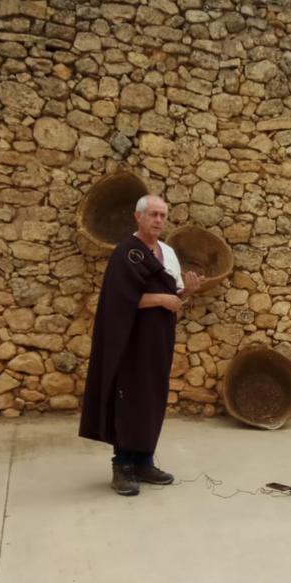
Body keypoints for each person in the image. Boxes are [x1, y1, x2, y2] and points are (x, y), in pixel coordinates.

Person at [79, 195, 204, 496]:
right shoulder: (126, 253)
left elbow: (173, 295)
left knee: (152, 396)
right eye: (153, 214)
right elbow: (119, 300)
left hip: (158, 339)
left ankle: (145, 461)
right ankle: (122, 466)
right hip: (129, 340)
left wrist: (187, 291)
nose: (159, 220)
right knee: (129, 397)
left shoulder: (168, 253)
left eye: (162, 215)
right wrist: (162, 299)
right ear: (138, 217)